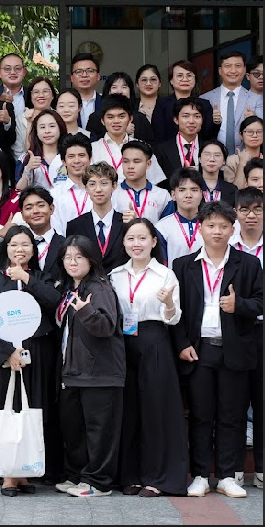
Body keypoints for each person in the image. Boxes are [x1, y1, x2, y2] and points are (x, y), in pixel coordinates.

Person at [171, 202, 263, 499]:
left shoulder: (248, 264)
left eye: (223, 226)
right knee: (201, 415)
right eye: (211, 225)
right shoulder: (183, 265)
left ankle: (227, 475)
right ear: (200, 229)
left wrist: (240, 305)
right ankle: (200, 475)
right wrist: (182, 343)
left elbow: (261, 301)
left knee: (232, 415)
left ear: (232, 230)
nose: (217, 231)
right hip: (199, 350)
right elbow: (175, 311)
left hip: (234, 349)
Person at [0, 225, 60, 497]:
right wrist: (6, 352)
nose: (19, 249)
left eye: (25, 244)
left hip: (36, 353)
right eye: (14, 244)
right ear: (6, 249)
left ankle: (23, 471)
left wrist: (27, 278)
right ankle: (8, 475)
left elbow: (54, 302)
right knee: (2, 413)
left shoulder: (41, 277)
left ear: (33, 250)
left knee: (30, 409)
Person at [110, 218, 188, 497]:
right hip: (122, 343)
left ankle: (157, 477)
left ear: (154, 242)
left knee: (156, 409)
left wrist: (167, 303)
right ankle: (130, 475)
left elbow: (174, 317)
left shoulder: (165, 274)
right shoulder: (115, 275)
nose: (137, 244)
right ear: (123, 242)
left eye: (143, 238)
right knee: (128, 410)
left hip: (154, 340)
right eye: (131, 238)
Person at [54, 236, 125, 498]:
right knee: (75, 429)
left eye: (79, 257)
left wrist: (86, 312)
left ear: (91, 260)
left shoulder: (100, 288)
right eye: (67, 257)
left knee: (99, 430)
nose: (72, 262)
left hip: (100, 373)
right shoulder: (69, 288)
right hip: (73, 372)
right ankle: (77, 476)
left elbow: (106, 327)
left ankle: (99, 482)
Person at [231, 187, 264, 489]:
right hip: (237, 328)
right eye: (245, 210)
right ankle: (235, 467)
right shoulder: (226, 245)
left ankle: (262, 467)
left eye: (257, 209)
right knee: (236, 401)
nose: (251, 215)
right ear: (236, 214)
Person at [66, 162, 130, 273]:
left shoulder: (126, 222)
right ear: (86, 188)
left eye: (104, 183)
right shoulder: (75, 225)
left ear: (114, 186)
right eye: (92, 184)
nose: (98, 189)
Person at [89, 95, 164, 184]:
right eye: (110, 117)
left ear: (130, 119)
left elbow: (156, 181)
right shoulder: (92, 149)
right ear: (102, 120)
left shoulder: (143, 147)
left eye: (121, 116)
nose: (116, 121)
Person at [202, 50, 264, 155]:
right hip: (214, 158)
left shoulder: (257, 100)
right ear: (220, 70)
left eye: (238, 66)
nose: (233, 70)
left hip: (246, 157)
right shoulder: (206, 99)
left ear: (244, 70)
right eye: (228, 66)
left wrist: (255, 119)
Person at [152, 60, 218, 144]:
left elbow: (209, 136)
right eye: (180, 76)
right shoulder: (162, 104)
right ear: (171, 80)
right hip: (168, 150)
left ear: (195, 80)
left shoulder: (205, 104)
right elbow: (158, 134)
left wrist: (216, 122)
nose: (185, 79)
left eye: (189, 75)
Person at [111, 140, 171, 224]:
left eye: (136, 161)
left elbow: (168, 228)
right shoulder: (112, 194)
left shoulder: (163, 195)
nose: (130, 166)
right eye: (126, 161)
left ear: (148, 164)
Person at [85, 72, 155, 143]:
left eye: (124, 87)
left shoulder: (140, 118)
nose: (119, 91)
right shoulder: (96, 117)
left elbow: (150, 144)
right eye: (114, 87)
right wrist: (121, 131)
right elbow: (90, 142)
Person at [154, 168, 206, 263]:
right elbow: (161, 265)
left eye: (194, 190)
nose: (188, 195)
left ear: (201, 194)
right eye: (182, 190)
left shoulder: (211, 225)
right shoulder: (162, 227)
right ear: (173, 195)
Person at [19, 186, 65, 282]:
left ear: (51, 209)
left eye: (40, 205)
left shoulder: (66, 245)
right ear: (22, 215)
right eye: (29, 208)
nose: (35, 211)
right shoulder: (16, 246)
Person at [51, 137, 94, 236]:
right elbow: (56, 228)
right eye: (71, 156)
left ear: (90, 159)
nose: (77, 161)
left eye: (81, 155)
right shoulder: (55, 194)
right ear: (63, 161)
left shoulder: (100, 191)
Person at [16, 109, 67, 191]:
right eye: (42, 127)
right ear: (36, 131)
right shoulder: (26, 157)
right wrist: (28, 169)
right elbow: (18, 189)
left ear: (60, 128)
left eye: (52, 126)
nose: (47, 131)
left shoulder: (69, 155)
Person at [156, 100, 206, 179]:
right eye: (186, 116)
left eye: (197, 116)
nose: (191, 121)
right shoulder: (162, 150)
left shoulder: (208, 147)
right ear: (176, 120)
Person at [226, 116, 263, 187]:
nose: (255, 135)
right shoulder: (231, 161)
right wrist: (242, 164)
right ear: (241, 135)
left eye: (259, 132)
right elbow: (233, 191)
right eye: (249, 132)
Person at [69, 53, 103, 131]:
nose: (84, 75)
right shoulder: (64, 105)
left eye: (90, 71)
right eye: (79, 72)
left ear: (98, 76)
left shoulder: (106, 103)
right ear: (72, 78)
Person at [199, 140, 239, 205]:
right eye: (207, 154)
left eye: (217, 155)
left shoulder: (232, 189)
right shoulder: (191, 187)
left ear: (224, 161)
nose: (212, 159)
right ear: (200, 159)